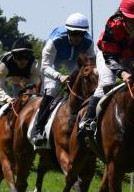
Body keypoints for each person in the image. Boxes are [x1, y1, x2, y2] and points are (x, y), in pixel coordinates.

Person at [79, 0, 134, 135]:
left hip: (132, 56)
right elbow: (110, 57)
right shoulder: (113, 25)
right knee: (107, 82)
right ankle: (88, 120)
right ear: (123, 16)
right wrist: (123, 73)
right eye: (132, 19)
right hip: (109, 55)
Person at [29, 12, 94, 144]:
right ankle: (39, 129)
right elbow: (45, 67)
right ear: (68, 31)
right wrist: (59, 76)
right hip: (54, 60)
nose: (78, 38)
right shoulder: (55, 41)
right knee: (52, 89)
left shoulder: (89, 42)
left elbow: (91, 64)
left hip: (74, 60)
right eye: (74, 33)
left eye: (81, 34)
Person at [0, 37, 42, 125]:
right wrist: (7, 99)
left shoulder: (35, 65)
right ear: (13, 55)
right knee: (0, 101)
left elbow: (34, 88)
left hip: (23, 78)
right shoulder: (2, 65)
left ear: (30, 56)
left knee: (27, 98)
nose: (22, 61)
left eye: (26, 57)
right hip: (5, 75)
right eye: (18, 57)